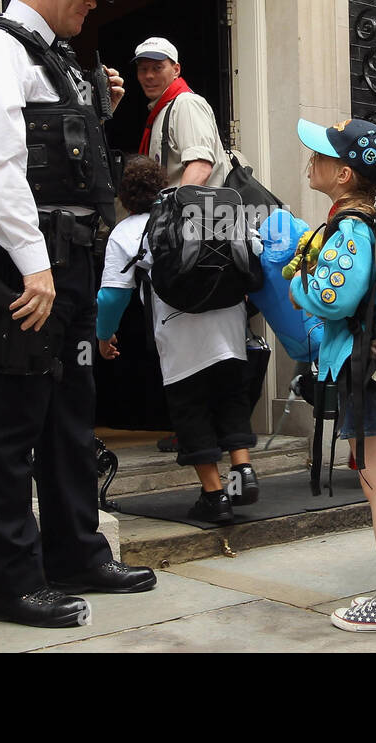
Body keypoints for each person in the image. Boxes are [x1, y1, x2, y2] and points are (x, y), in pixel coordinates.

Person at [0, 0, 156, 629]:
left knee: (68, 415)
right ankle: (11, 582)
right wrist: (34, 265)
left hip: (62, 259)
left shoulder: (56, 60)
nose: (91, 2)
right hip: (18, 260)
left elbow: (59, 159)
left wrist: (97, 107)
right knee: (12, 422)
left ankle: (76, 552)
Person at [288, 118, 376, 633]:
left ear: (345, 174)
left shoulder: (352, 225)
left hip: (368, 368)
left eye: (321, 156)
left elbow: (337, 297)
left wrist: (298, 287)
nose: (312, 162)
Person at [96, 157, 257, 523]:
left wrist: (104, 337)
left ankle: (215, 497)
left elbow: (111, 296)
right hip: (229, 320)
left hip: (179, 330)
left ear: (125, 195)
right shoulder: (199, 213)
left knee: (191, 409)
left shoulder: (127, 231)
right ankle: (243, 471)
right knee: (231, 396)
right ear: (164, 185)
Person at [135, 36, 229, 189]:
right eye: (143, 69)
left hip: (196, 211)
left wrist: (175, 210)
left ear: (176, 70)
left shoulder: (186, 104)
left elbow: (200, 167)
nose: (149, 76)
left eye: (157, 68)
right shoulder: (162, 109)